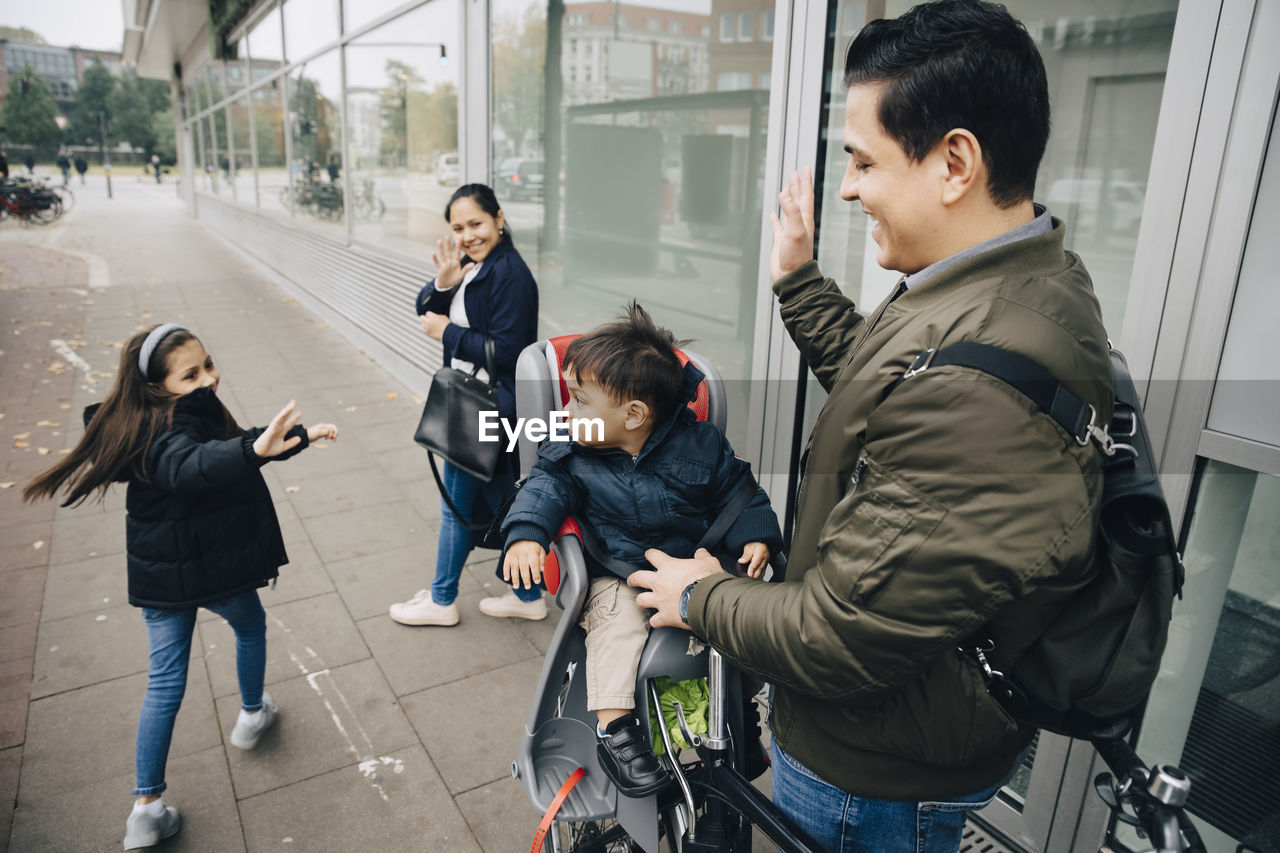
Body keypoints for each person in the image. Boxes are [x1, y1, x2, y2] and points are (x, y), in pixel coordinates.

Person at [628, 2, 1114, 850]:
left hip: (872, 771)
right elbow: (895, 382)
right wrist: (799, 283)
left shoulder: (980, 387)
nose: (848, 187)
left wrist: (697, 597)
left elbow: (833, 633)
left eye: (863, 161)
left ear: (954, 162)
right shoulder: (1004, 285)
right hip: (900, 734)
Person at [23, 324, 339, 850]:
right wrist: (254, 450)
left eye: (209, 364)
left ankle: (147, 809)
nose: (208, 379)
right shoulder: (168, 429)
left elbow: (232, 452)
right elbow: (192, 463)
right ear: (156, 385)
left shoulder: (144, 419)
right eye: (190, 374)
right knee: (248, 627)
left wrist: (286, 442)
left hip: (162, 576)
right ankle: (252, 714)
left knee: (166, 681)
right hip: (210, 571)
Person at [500, 302, 783, 796]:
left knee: (743, 616)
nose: (566, 412)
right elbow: (542, 487)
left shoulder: (702, 446)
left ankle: (738, 714)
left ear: (634, 414)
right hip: (620, 571)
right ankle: (617, 732)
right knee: (614, 626)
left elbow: (741, 493)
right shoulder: (569, 448)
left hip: (692, 565)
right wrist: (526, 533)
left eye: (580, 401)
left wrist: (755, 535)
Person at [390, 183, 544, 626]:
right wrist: (442, 284)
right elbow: (426, 310)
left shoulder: (509, 275)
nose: (466, 235)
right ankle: (527, 593)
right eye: (457, 227)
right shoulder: (475, 265)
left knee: (455, 505)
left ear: (498, 218)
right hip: (480, 403)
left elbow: (513, 351)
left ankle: (440, 601)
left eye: (475, 223)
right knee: (501, 497)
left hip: (486, 408)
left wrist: (449, 334)